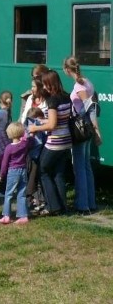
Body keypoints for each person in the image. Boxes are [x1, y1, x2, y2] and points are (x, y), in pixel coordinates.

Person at [28, 70, 72, 216]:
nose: (44, 87)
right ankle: (62, 207)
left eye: (46, 84)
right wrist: (44, 121)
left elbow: (52, 125)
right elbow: (61, 120)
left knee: (43, 170)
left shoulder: (53, 100)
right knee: (58, 173)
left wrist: (36, 127)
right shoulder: (66, 96)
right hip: (67, 141)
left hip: (55, 142)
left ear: (50, 83)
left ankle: (52, 206)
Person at [63, 56, 99, 214]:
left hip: (80, 129)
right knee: (86, 166)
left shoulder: (79, 86)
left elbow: (90, 108)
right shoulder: (87, 81)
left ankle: (82, 204)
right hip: (87, 129)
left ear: (66, 69)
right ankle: (91, 202)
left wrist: (96, 131)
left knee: (79, 167)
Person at [0, 122, 32, 225]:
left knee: (8, 194)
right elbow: (30, 140)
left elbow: (4, 163)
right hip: (23, 170)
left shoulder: (9, 148)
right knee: (22, 194)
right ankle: (23, 216)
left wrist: (1, 175)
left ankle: (6, 216)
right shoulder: (24, 144)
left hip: (13, 171)